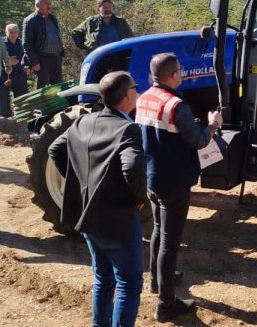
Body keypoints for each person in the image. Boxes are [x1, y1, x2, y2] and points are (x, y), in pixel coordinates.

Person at [48, 71, 146, 327]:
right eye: (135, 87)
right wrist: (139, 197)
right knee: (129, 281)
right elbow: (133, 167)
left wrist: (81, 183)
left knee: (103, 277)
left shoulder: (83, 122)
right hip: (117, 220)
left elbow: (55, 149)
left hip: (88, 216)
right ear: (127, 95)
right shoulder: (128, 129)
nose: (137, 91)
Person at [135, 53, 221, 322]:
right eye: (180, 71)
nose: (182, 74)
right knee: (170, 244)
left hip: (152, 176)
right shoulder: (176, 105)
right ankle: (166, 305)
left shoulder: (143, 98)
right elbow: (198, 141)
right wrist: (213, 125)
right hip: (175, 181)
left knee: (159, 231)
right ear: (173, 75)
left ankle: (158, 282)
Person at [23, 0, 63, 88]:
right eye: (46, 3)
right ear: (37, 5)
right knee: (43, 90)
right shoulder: (30, 20)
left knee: (58, 88)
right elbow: (26, 44)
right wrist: (34, 62)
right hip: (42, 61)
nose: (49, 6)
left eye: (50, 3)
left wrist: (61, 54)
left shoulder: (53, 18)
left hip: (56, 59)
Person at [0, 23, 30, 118]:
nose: (13, 34)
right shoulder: (0, 43)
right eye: (11, 32)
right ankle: (6, 120)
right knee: (3, 99)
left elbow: (28, 56)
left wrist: (27, 67)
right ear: (6, 32)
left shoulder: (22, 43)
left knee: (22, 99)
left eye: (15, 32)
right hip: (4, 75)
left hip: (20, 74)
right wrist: (8, 61)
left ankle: (21, 118)